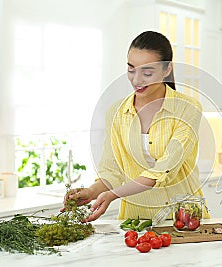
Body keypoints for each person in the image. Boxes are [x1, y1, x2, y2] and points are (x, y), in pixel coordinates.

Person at [62, 31, 208, 222]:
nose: (136, 80)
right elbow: (112, 170)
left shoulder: (187, 108)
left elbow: (165, 170)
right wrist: (92, 191)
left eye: (147, 73)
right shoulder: (116, 113)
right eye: (131, 70)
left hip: (184, 220)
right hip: (135, 222)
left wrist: (115, 194)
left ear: (166, 70)